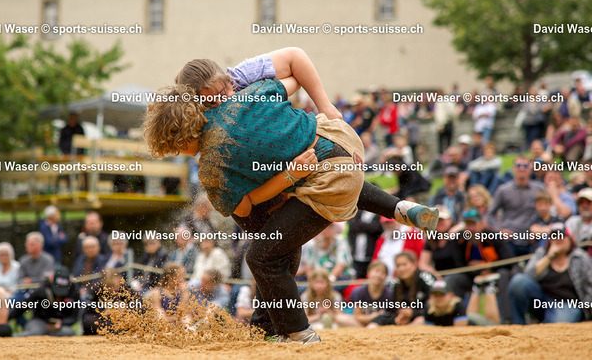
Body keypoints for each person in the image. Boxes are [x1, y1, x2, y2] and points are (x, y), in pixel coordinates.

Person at [143, 53, 438, 343]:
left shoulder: (212, 167)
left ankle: (299, 333)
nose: (180, 153)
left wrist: (287, 177)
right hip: (339, 138)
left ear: (183, 136)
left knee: (261, 255)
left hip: (330, 181)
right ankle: (400, 208)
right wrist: (322, 108)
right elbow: (294, 76)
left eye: (176, 148)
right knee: (274, 232)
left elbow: (243, 208)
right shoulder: (248, 91)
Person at [508, 223, 592, 324]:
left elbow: (590, 284)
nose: (558, 239)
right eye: (554, 236)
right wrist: (550, 256)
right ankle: (518, 324)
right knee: (518, 281)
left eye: (562, 236)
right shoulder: (542, 253)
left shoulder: (580, 257)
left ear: (570, 239)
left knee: (557, 326)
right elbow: (528, 276)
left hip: (567, 304)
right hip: (542, 301)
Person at [486, 155, 545, 256]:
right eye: (518, 166)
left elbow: (548, 211)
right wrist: (499, 230)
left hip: (533, 239)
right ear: (513, 169)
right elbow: (490, 214)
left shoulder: (539, 189)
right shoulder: (503, 190)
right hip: (510, 240)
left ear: (530, 169)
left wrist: (540, 228)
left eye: (525, 166)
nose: (521, 169)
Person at [10, 266, 80, 336]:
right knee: (35, 332)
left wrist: (61, 323)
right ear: (51, 279)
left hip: (61, 326)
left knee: (68, 332)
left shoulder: (74, 292)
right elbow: (22, 306)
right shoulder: (42, 290)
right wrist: (6, 319)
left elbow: (74, 316)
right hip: (40, 321)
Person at [369, 251, 433, 326]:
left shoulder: (426, 278)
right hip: (404, 320)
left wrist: (413, 312)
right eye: (398, 265)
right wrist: (400, 315)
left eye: (404, 264)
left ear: (414, 265)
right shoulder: (395, 284)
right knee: (378, 320)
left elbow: (435, 306)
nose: (401, 268)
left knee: (420, 320)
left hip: (426, 318)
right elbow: (391, 309)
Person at [82, 268, 144, 335]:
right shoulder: (96, 290)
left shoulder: (127, 290)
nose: (111, 289)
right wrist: (103, 311)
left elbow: (140, 308)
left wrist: (125, 309)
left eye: (113, 285)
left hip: (122, 322)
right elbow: (86, 310)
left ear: (120, 279)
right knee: (88, 320)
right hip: (104, 322)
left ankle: (118, 332)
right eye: (108, 286)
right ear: (101, 281)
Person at [418, 206, 462, 280]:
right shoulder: (431, 239)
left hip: (460, 275)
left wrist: (460, 226)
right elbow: (422, 264)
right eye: (436, 220)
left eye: (442, 220)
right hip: (440, 278)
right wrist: (434, 273)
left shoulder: (459, 235)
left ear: (450, 220)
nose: (439, 223)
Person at [350, 260, 393, 327]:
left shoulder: (389, 294)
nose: (379, 275)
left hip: (380, 325)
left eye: (383, 273)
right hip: (362, 323)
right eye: (376, 271)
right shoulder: (360, 292)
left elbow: (390, 317)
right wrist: (372, 316)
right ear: (368, 273)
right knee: (341, 318)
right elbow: (358, 316)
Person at [347, 210, 383, 279]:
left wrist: (360, 225)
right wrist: (367, 226)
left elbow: (377, 228)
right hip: (356, 256)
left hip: (371, 257)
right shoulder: (358, 212)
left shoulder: (378, 214)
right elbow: (352, 224)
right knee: (358, 280)